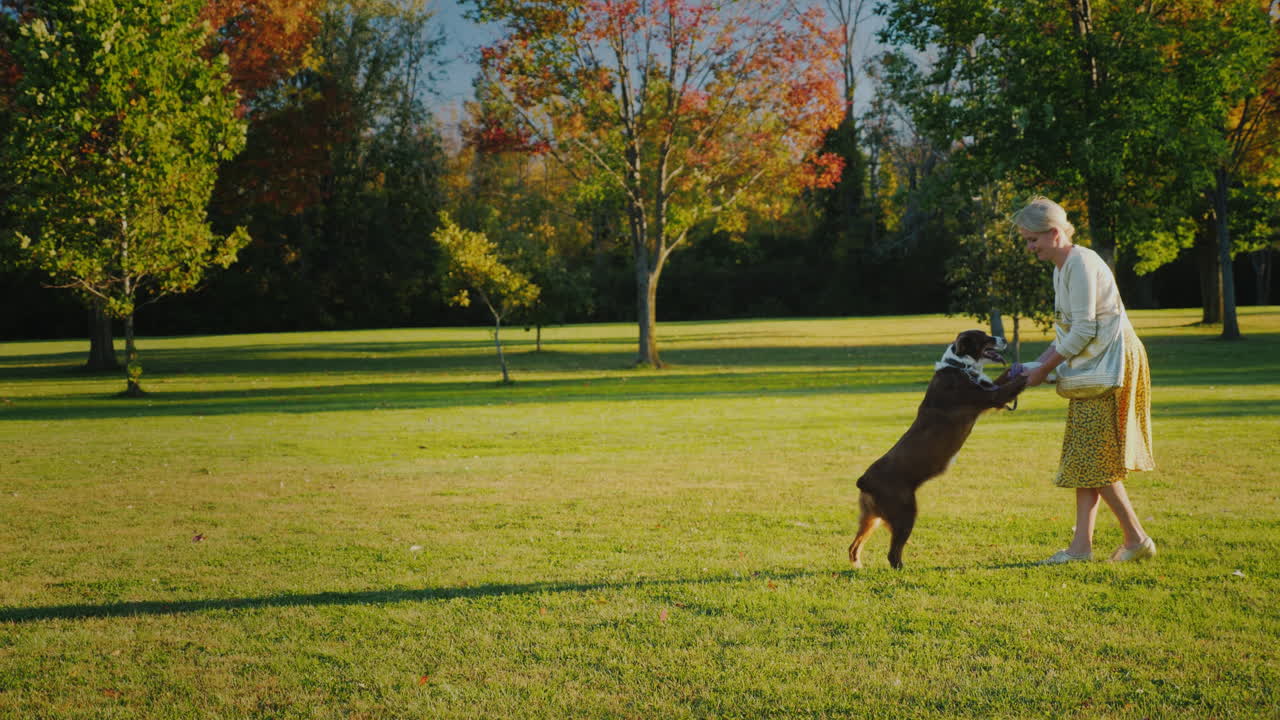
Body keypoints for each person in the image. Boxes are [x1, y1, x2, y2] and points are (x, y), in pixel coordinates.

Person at [1012, 196, 1156, 564]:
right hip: (1095, 368)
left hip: (1112, 366)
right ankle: (1082, 547)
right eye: (1027, 241)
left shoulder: (1080, 263)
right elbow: (1067, 333)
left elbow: (1085, 330)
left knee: (1093, 457)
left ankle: (1136, 540)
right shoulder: (1063, 267)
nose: (1030, 248)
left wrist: (1045, 370)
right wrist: (1037, 364)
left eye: (1033, 240)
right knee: (1086, 458)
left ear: (1056, 233)